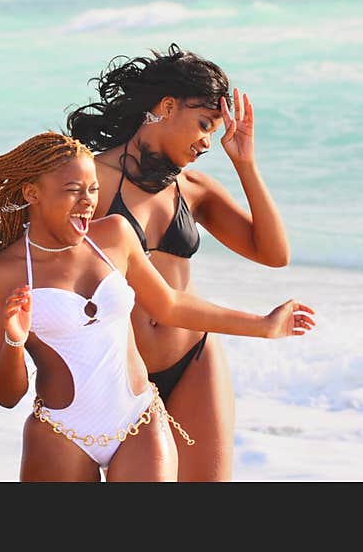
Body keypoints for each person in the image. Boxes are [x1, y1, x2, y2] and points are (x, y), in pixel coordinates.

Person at [0, 131, 313, 481]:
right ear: (33, 194)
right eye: (73, 190)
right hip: (60, 431)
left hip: (139, 418)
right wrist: (15, 340)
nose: (87, 201)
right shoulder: (2, 275)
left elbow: (171, 305)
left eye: (93, 189)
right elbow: (7, 395)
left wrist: (264, 324)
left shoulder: (114, 235)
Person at [65, 43, 289, 481]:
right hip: (110, 371)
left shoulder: (193, 188)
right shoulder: (86, 182)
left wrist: (245, 165)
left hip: (192, 359)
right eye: (204, 124)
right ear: (166, 107)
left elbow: (274, 253)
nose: (208, 141)